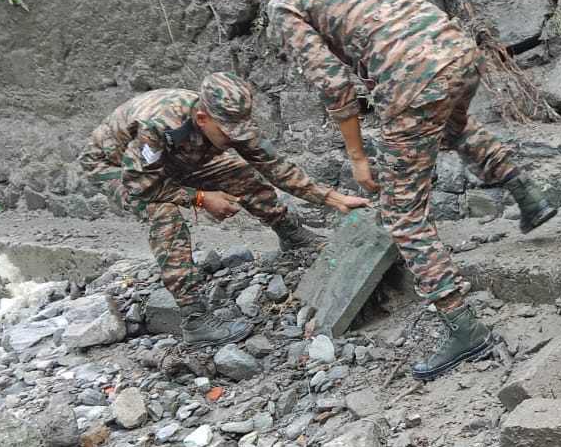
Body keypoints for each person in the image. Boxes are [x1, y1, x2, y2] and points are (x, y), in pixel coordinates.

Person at [242, 0, 561, 381]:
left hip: (412, 82)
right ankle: (530, 196)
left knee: (403, 214)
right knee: (454, 124)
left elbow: (333, 85)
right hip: (459, 53)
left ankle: (464, 328)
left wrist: (358, 157)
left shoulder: (284, 1)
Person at [82, 71, 369, 345]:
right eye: (228, 133)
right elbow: (142, 187)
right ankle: (195, 319)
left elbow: (275, 167)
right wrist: (201, 198)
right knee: (165, 214)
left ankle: (291, 235)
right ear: (202, 119)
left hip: (172, 162)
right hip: (116, 169)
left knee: (241, 173)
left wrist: (333, 198)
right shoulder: (159, 126)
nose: (235, 139)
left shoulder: (231, 120)